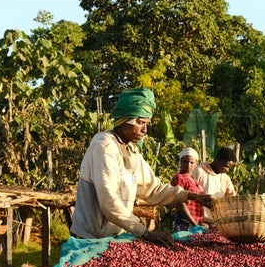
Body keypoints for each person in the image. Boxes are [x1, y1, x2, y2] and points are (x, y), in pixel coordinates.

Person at [71, 88, 212, 245]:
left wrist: (191, 196)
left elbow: (153, 189)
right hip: (91, 238)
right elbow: (109, 201)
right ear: (125, 119)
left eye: (146, 123)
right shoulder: (104, 147)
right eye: (140, 123)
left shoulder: (132, 151)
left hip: (115, 236)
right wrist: (144, 232)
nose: (145, 130)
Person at [192, 146, 238, 223]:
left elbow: (232, 200)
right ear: (218, 159)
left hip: (217, 223)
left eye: (229, 168)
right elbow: (190, 196)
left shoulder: (225, 178)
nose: (227, 170)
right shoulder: (199, 171)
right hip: (197, 221)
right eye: (226, 166)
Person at [171, 147, 209, 232]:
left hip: (195, 223)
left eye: (192, 162)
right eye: (185, 161)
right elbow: (180, 202)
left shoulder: (194, 180)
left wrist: (200, 223)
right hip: (184, 223)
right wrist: (195, 224)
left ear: (196, 164)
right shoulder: (179, 178)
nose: (188, 165)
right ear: (180, 162)